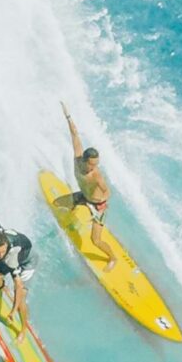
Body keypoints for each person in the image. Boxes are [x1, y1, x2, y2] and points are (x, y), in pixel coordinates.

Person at [62, 102, 118, 272]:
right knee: (60, 203)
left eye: (96, 164)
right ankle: (73, 215)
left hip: (97, 205)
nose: (94, 167)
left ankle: (113, 258)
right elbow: (75, 135)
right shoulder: (78, 158)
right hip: (84, 196)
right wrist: (68, 115)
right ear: (85, 160)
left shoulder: (96, 175)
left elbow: (107, 190)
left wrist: (101, 204)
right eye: (92, 164)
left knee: (96, 240)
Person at [0, 172, 34, 332]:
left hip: (27, 260)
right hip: (15, 250)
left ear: (6, 247)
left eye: (1, 253)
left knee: (21, 297)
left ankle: (23, 329)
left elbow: (18, 285)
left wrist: (13, 310)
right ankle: (1, 287)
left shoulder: (11, 257)